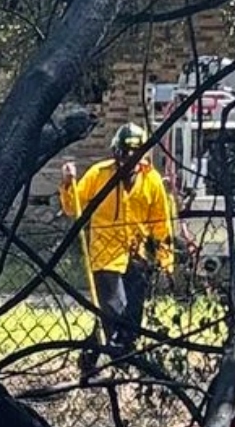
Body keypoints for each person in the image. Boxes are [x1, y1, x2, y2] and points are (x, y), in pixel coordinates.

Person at [59, 122, 178, 374]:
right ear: (115, 152)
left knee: (133, 316)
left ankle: (98, 355)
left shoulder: (152, 181)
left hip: (138, 257)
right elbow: (73, 207)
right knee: (115, 308)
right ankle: (118, 362)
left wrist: (165, 260)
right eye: (123, 154)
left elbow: (161, 225)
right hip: (105, 256)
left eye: (134, 155)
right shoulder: (99, 174)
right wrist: (69, 183)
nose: (128, 160)